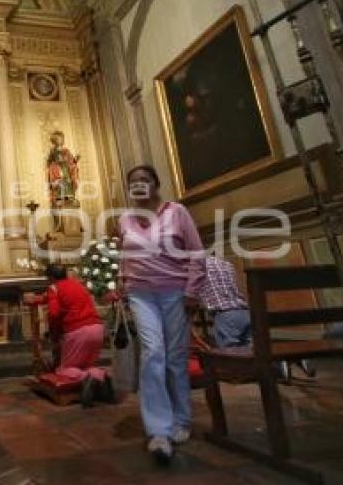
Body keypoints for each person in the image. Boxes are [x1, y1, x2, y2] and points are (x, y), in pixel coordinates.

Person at [119, 164, 204, 464]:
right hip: (141, 295)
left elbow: (196, 252)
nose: (139, 185)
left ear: (156, 184)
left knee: (176, 358)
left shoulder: (176, 212)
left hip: (174, 293)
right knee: (153, 353)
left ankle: (181, 419)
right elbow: (124, 256)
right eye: (133, 181)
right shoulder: (125, 219)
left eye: (144, 179)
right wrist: (123, 285)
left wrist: (192, 291)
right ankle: (158, 430)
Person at [44, 263, 112, 407]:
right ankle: (102, 376)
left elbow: (54, 313)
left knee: (64, 369)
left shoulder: (54, 287)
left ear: (50, 277)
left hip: (78, 330)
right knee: (86, 364)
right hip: (97, 328)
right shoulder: (78, 284)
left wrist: (54, 333)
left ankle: (87, 378)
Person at [199, 255, 252, 348]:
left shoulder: (196, 266)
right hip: (244, 312)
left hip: (225, 316)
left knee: (230, 355)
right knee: (250, 353)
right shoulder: (224, 263)